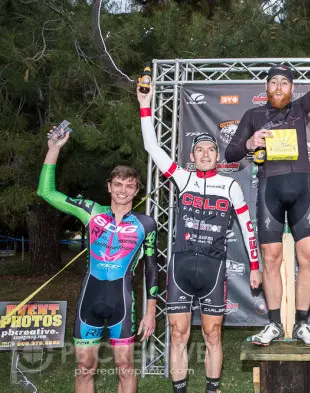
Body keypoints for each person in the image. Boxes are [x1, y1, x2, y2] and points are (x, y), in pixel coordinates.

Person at [137, 84, 262, 393]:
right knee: (178, 334)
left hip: (213, 268)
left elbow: (247, 226)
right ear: (192, 156)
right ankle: (179, 389)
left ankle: (211, 388)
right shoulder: (184, 178)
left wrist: (255, 266)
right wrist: (145, 106)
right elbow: (153, 148)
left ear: (217, 156)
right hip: (181, 268)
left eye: (211, 150)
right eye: (200, 150)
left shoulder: (230, 186)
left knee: (213, 335)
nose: (205, 154)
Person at [224, 24, 310, 346]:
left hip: (300, 190)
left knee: (309, 257)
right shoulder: (253, 114)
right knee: (271, 259)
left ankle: (302, 324)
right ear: (267, 87)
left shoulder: (300, 109)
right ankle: (273, 324)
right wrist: (249, 143)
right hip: (269, 191)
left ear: (291, 88)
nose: (279, 85)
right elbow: (230, 152)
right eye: (273, 81)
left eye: (284, 81)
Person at [37, 131, 158, 393]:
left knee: (125, 369)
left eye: (129, 186)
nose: (123, 190)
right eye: (118, 184)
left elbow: (151, 268)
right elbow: (46, 192)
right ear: (109, 186)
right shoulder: (91, 211)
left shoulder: (146, 224)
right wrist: (54, 148)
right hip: (88, 301)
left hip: (123, 303)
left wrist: (150, 312)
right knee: (84, 369)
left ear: (136, 190)